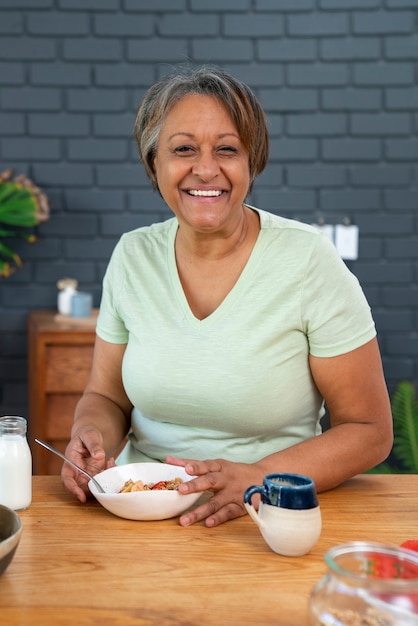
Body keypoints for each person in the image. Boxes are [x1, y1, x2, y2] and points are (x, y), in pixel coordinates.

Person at [62, 65, 393, 527]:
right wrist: (89, 435)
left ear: (251, 161)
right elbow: (107, 395)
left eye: (226, 149)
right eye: (183, 149)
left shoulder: (308, 260)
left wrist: (259, 475)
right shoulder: (132, 256)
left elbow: (369, 431)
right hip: (144, 513)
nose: (205, 168)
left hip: (269, 515)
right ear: (153, 161)